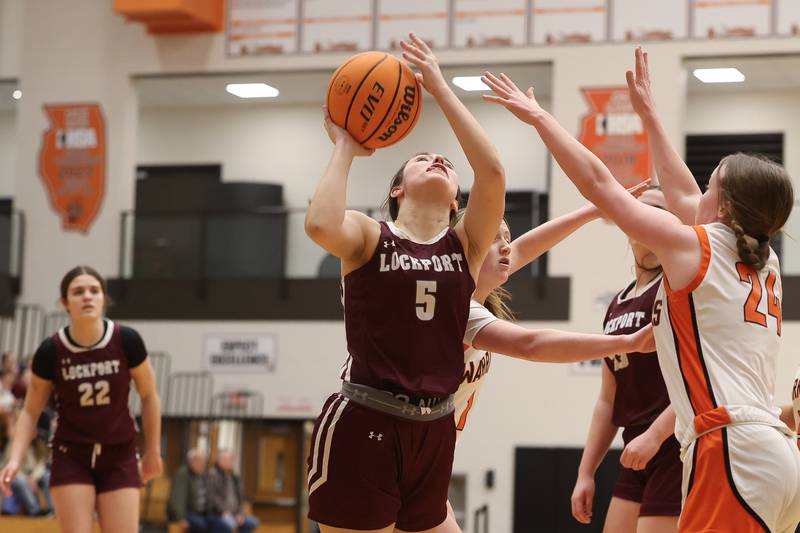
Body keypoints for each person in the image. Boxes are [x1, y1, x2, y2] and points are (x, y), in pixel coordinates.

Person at [481, 47, 800, 533]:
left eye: (709, 185)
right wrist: (651, 116)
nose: (697, 193)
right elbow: (684, 195)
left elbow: (599, 184)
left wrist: (542, 119)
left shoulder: (693, 245)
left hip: (732, 451)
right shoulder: (765, 258)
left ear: (726, 205)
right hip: (778, 456)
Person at [304, 32, 505, 533]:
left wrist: (438, 86)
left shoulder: (466, 245)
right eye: (422, 159)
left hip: (434, 428)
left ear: (457, 201)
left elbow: (494, 172)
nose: (438, 159)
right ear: (396, 190)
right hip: (366, 416)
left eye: (448, 165)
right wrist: (347, 146)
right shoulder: (370, 236)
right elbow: (319, 225)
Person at [435, 190, 660, 533]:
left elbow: (527, 247)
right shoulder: (453, 305)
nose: (507, 246)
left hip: (429, 462)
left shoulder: (474, 297)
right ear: (463, 249)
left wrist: (589, 211)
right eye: (495, 239)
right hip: (399, 452)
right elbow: (532, 344)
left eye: (507, 238)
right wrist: (627, 342)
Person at [0, 265, 163, 533]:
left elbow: (149, 395)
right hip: (71, 455)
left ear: (103, 298)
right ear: (66, 303)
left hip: (119, 455)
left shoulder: (127, 340)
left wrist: (153, 450)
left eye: (94, 291)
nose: (87, 296)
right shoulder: (51, 351)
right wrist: (15, 459)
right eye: (78, 292)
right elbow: (29, 412)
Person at [572, 188, 681, 533]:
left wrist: (655, 436)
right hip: (634, 443)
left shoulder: (678, 288)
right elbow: (608, 398)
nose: (643, 215)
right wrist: (586, 472)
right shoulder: (616, 304)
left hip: (673, 440)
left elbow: (698, 380)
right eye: (637, 208)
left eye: (656, 210)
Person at [206, 449, 259, 533]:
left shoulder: (235, 477)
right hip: (217, 513)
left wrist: (241, 514)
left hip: (235, 513)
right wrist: (224, 511)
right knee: (229, 524)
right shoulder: (212, 475)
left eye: (231, 460)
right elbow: (212, 497)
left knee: (252, 522)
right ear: (219, 460)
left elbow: (240, 498)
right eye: (226, 459)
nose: (229, 462)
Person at [168, 448, 210, 532]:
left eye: (203, 461)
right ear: (191, 461)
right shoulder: (183, 473)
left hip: (202, 513)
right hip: (187, 513)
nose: (202, 464)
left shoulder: (204, 475)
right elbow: (177, 499)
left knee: (218, 523)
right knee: (201, 525)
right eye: (199, 461)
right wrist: (180, 518)